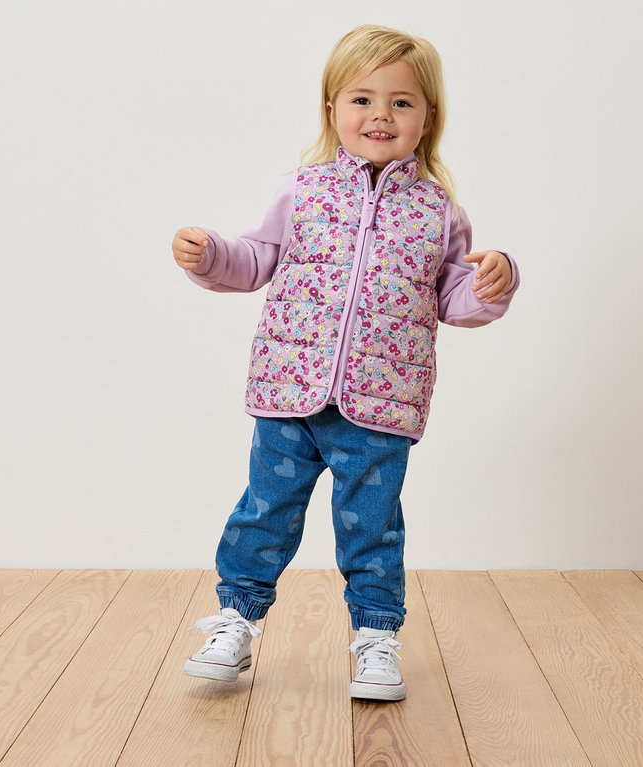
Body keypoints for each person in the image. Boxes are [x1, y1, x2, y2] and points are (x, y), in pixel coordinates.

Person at [172, 24, 519, 702]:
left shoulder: (438, 212)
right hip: (289, 397)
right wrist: (211, 254)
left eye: (401, 102)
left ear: (428, 118)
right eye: (361, 99)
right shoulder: (302, 191)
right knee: (264, 514)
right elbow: (254, 258)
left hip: (381, 406)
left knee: (373, 527)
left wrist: (490, 283)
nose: (380, 116)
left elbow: (453, 295)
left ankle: (377, 637)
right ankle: (235, 621)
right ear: (332, 110)